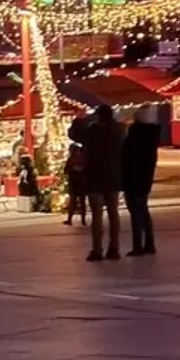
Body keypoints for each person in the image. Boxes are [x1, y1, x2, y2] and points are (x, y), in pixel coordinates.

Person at [71, 105, 124, 262]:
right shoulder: (120, 131)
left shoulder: (92, 132)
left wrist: (81, 119)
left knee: (97, 214)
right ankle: (114, 248)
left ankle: (97, 249)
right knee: (113, 212)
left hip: (94, 175)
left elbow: (74, 134)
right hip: (114, 174)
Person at [121, 114, 158, 256]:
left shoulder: (133, 139)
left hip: (132, 180)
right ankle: (149, 242)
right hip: (144, 180)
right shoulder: (151, 138)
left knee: (136, 213)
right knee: (143, 211)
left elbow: (128, 160)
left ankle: (138, 245)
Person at [63, 139, 87, 227]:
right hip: (74, 182)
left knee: (81, 201)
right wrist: (72, 169)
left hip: (80, 182)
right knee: (74, 201)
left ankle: (83, 220)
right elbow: (65, 170)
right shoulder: (71, 159)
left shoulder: (82, 159)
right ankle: (70, 219)